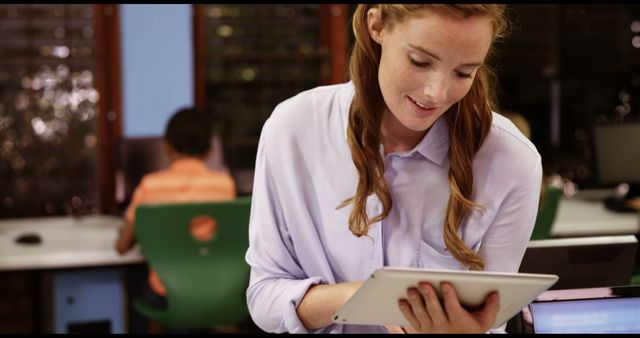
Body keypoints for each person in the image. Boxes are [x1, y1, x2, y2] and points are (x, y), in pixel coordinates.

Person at [245, 4, 542, 334]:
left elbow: (492, 322)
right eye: (420, 61)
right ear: (377, 26)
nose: (436, 93)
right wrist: (367, 299)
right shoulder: (292, 130)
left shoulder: (512, 162)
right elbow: (264, 299)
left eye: (463, 73)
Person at [115, 107, 236, 307]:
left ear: (167, 147)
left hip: (167, 293)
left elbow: (122, 247)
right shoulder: (225, 185)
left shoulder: (150, 186)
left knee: (135, 282)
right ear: (210, 150)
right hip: (215, 289)